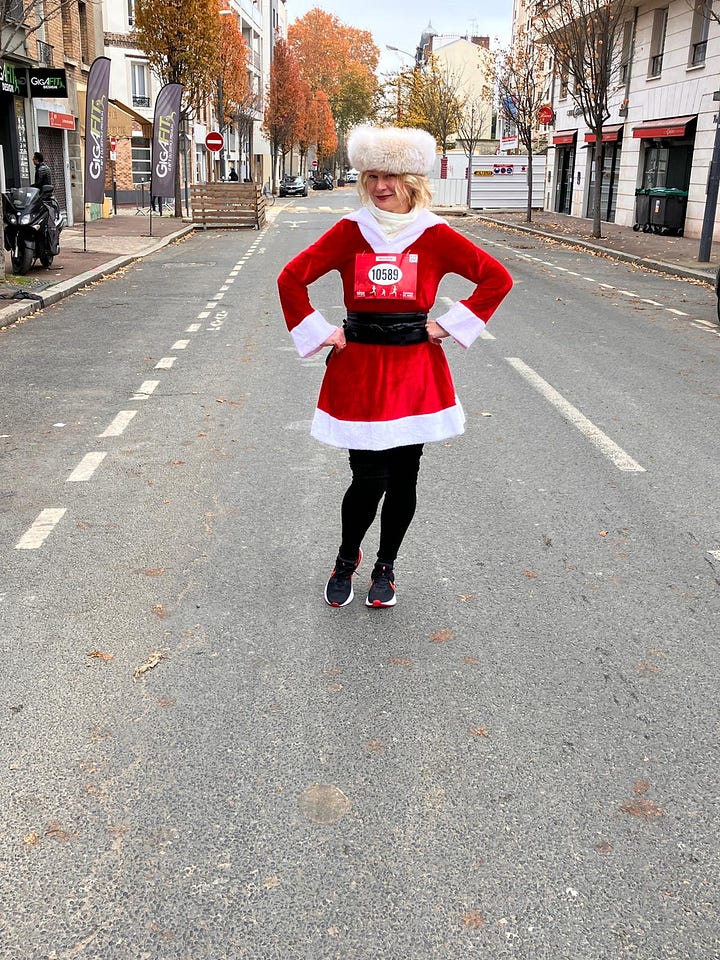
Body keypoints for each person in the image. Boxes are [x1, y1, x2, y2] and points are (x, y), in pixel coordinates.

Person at [277, 126, 513, 609]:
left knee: (405, 476)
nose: (380, 186)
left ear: (413, 179)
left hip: (414, 371)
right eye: (372, 176)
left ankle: (387, 565)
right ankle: (347, 557)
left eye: (391, 176)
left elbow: (496, 278)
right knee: (368, 478)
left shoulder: (436, 235)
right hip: (359, 369)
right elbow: (291, 279)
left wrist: (445, 326)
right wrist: (324, 332)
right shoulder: (350, 230)